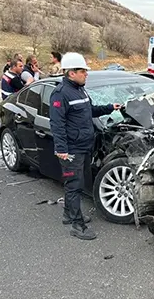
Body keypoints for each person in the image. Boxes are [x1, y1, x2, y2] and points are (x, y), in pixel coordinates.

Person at [49, 52, 121, 240]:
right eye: (83, 71)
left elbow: (90, 110)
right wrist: (62, 149)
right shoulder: (61, 93)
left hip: (84, 145)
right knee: (75, 185)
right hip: (72, 149)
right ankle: (77, 225)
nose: (86, 74)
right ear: (71, 73)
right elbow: (57, 124)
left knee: (75, 183)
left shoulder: (80, 90)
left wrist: (109, 107)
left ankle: (68, 214)